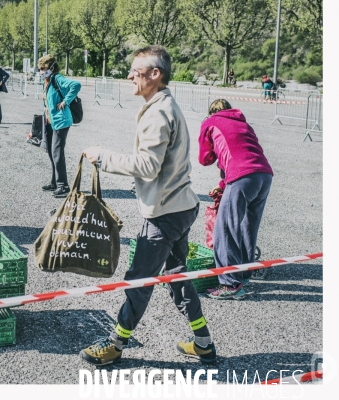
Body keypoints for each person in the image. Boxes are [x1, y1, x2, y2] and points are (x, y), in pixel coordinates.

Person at [81, 45, 215, 366]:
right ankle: (204, 343)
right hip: (179, 207)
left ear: (155, 75)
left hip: (165, 214)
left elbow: (147, 166)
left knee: (139, 280)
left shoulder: (158, 112)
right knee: (177, 276)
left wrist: (103, 157)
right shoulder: (164, 105)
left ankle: (115, 344)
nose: (129, 76)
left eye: (135, 71)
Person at [198, 99, 273, 299]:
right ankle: (244, 272)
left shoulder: (211, 122)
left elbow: (204, 158)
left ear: (211, 112)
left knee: (225, 230)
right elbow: (242, 153)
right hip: (264, 176)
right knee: (248, 227)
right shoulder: (244, 124)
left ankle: (231, 284)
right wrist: (223, 185)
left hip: (241, 177)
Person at [39, 54, 81, 198]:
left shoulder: (57, 78)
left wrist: (66, 101)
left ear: (52, 67)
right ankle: (55, 182)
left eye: (43, 68)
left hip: (61, 121)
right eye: (39, 69)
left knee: (57, 153)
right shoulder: (47, 80)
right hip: (50, 121)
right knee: (51, 152)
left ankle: (63, 185)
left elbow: (76, 85)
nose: (41, 71)